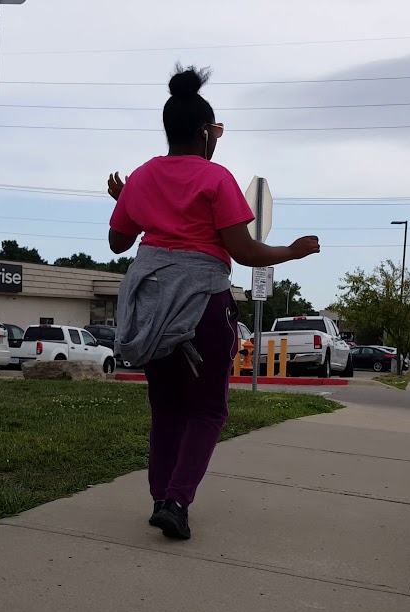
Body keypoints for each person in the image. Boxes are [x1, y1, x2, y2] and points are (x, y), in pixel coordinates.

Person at [106, 64, 319, 540]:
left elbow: (118, 242)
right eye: (216, 132)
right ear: (204, 133)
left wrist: (127, 199)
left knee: (166, 410)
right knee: (206, 410)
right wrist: (292, 251)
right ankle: (177, 501)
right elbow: (244, 252)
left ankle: (161, 497)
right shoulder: (216, 178)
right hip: (203, 305)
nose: (217, 140)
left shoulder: (142, 177)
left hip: (152, 308)